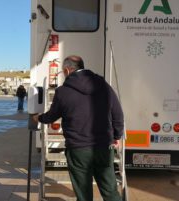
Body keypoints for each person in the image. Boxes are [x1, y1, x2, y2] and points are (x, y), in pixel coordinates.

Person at [33, 55, 124, 201]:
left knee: (83, 193)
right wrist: (117, 136)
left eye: (63, 71)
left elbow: (51, 117)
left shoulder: (62, 92)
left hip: (78, 149)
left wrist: (39, 118)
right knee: (110, 190)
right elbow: (118, 114)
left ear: (68, 70)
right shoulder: (103, 85)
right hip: (103, 146)